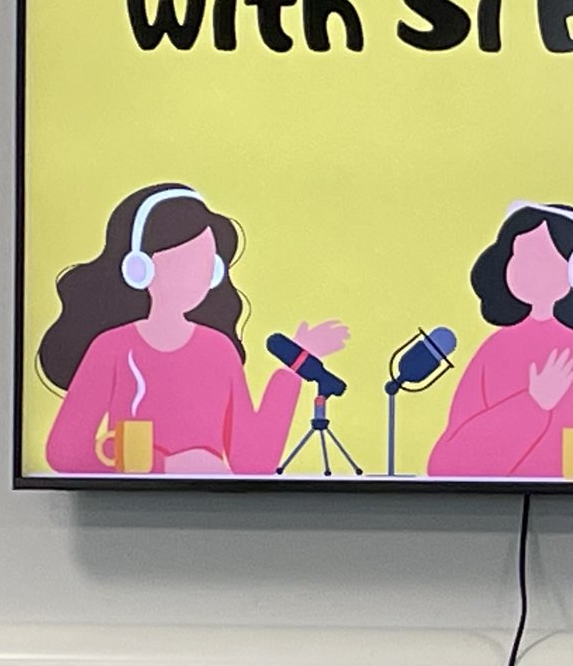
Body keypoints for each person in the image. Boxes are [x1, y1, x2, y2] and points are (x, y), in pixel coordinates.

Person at [40, 182, 347, 476]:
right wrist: (166, 466)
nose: (201, 275)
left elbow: (252, 462)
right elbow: (65, 453)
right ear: (139, 269)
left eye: (208, 263)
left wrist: (294, 370)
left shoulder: (218, 349)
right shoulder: (112, 348)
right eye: (187, 262)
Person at [427, 202, 573, 479]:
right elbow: (446, 463)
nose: (527, 268)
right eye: (519, 255)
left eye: (541, 257)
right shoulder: (494, 351)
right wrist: (532, 404)